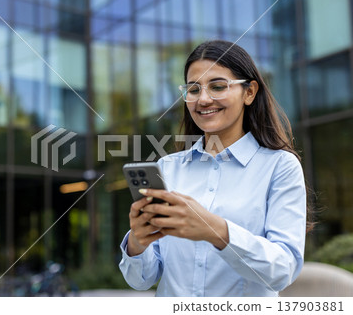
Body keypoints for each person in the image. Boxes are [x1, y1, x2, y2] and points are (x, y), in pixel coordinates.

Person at [119, 40, 311, 297]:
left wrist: (216, 231)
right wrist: (138, 243)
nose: (204, 99)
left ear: (249, 92)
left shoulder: (279, 166)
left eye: (218, 86)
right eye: (193, 89)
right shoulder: (168, 168)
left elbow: (282, 270)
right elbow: (141, 280)